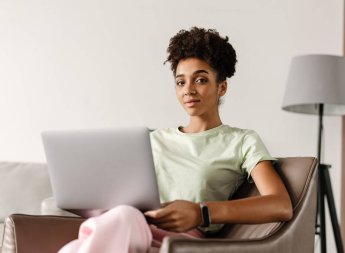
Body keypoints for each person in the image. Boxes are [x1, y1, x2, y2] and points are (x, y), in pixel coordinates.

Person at [59, 27, 292, 253]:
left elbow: (279, 204)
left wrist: (202, 212)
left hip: (179, 241)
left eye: (200, 80)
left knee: (118, 221)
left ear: (222, 87)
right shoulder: (151, 140)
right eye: (181, 82)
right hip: (130, 230)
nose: (188, 90)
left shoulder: (242, 141)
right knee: (102, 229)